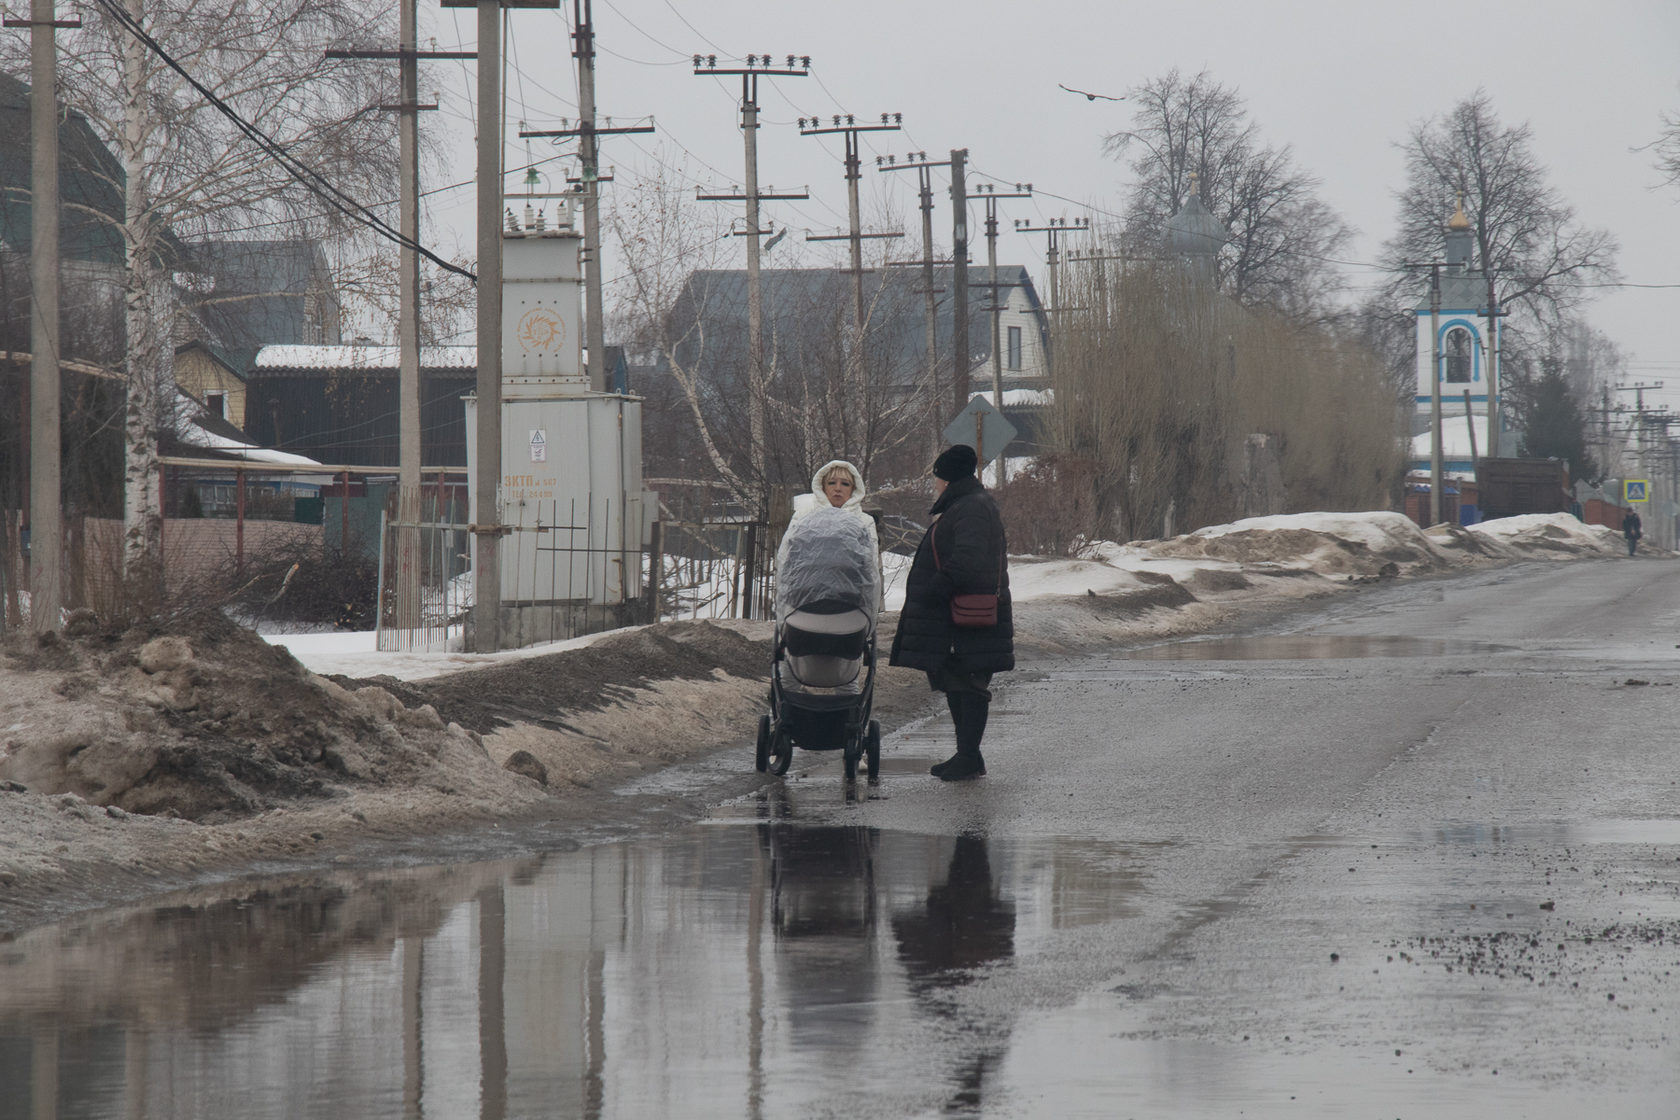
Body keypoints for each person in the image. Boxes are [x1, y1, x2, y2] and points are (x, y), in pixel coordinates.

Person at [889, 444, 1013, 781]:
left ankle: (969, 757)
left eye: (937, 479)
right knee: (957, 680)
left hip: (968, 615)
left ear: (947, 479)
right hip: (961, 615)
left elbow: (968, 561)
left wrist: (935, 589)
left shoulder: (971, 508)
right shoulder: (967, 505)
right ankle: (967, 755)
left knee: (969, 683)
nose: (934, 485)